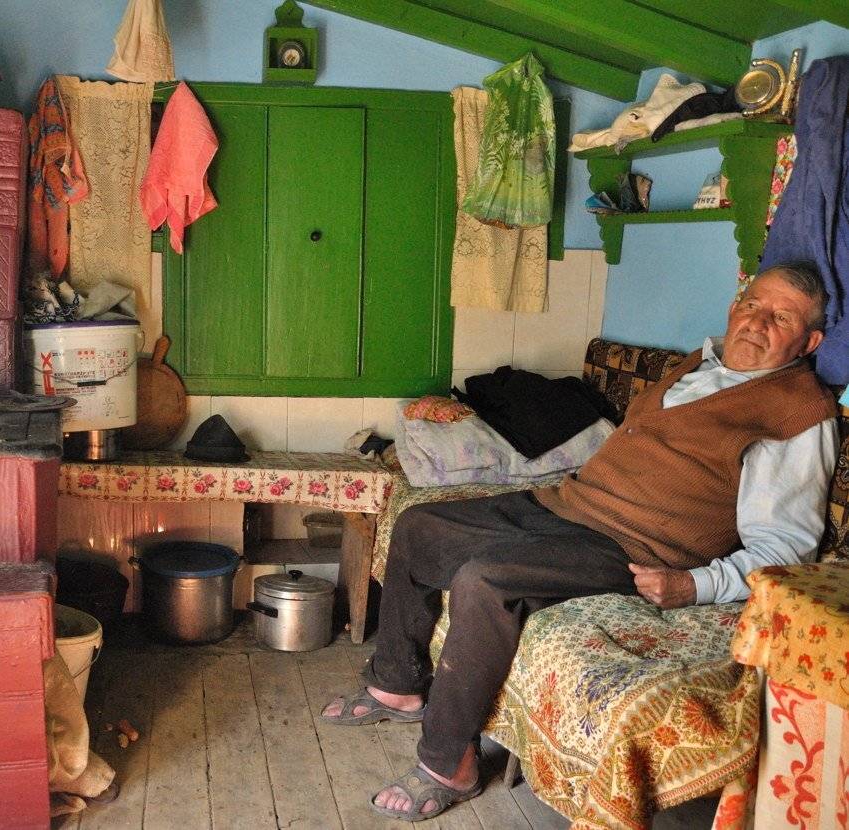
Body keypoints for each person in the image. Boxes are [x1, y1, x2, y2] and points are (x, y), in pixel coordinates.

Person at [320, 262, 838, 821]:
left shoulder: (797, 416)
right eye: (752, 304)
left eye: (779, 317)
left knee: (487, 581)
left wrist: (696, 585)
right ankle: (397, 686)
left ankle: (449, 763)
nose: (756, 322)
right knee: (423, 526)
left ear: (809, 342)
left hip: (638, 547)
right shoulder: (703, 362)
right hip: (569, 504)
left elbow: (786, 549)